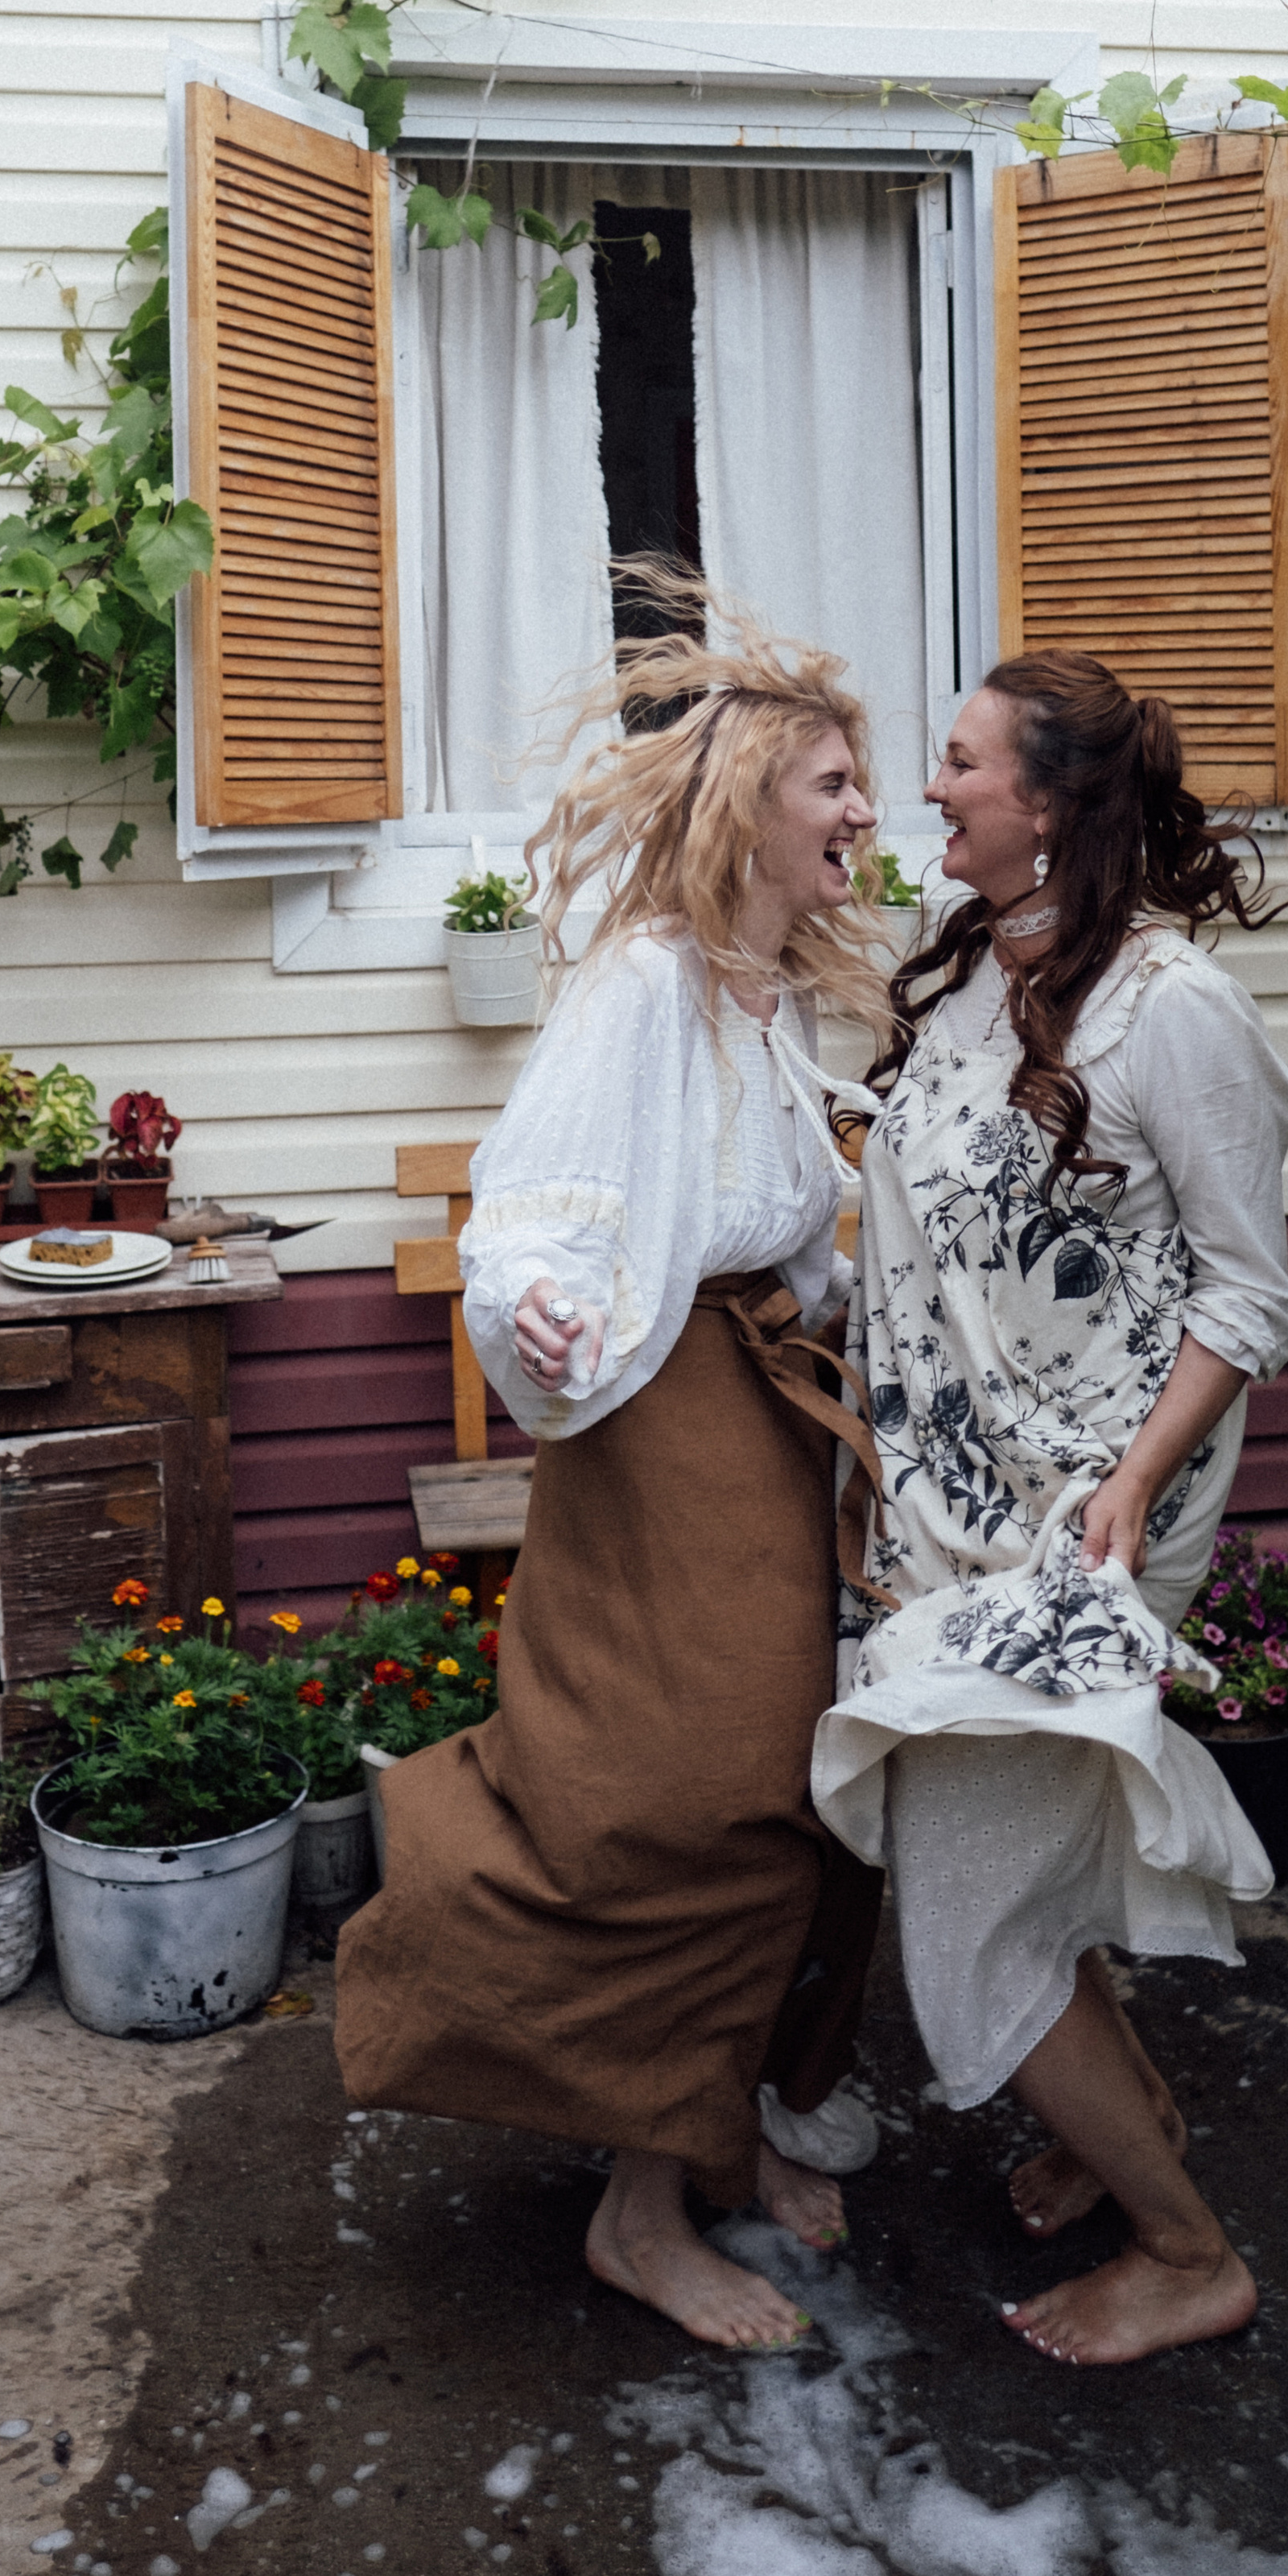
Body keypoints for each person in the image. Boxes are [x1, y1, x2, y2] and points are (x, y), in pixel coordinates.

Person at [335, 607, 893, 2354]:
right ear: (750, 801)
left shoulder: (759, 996)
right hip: (661, 1443)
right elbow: (531, 1207)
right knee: (690, 1795)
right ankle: (636, 2216)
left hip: (757, 1420)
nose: (864, 813)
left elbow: (787, 1234)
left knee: (804, 1786)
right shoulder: (647, 985)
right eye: (835, 781)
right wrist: (544, 1310)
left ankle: (708, 2141)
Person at [811, 649, 1288, 2368]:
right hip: (947, 1518)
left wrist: (1134, 1479)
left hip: (1082, 1528)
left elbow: (1246, 1297)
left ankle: (1186, 2251)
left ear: (1050, 799)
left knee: (959, 1915)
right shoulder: (965, 983)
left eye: (952, 762)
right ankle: (1124, 2125)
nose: (921, 790)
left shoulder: (1170, 1012)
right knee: (1005, 1869)